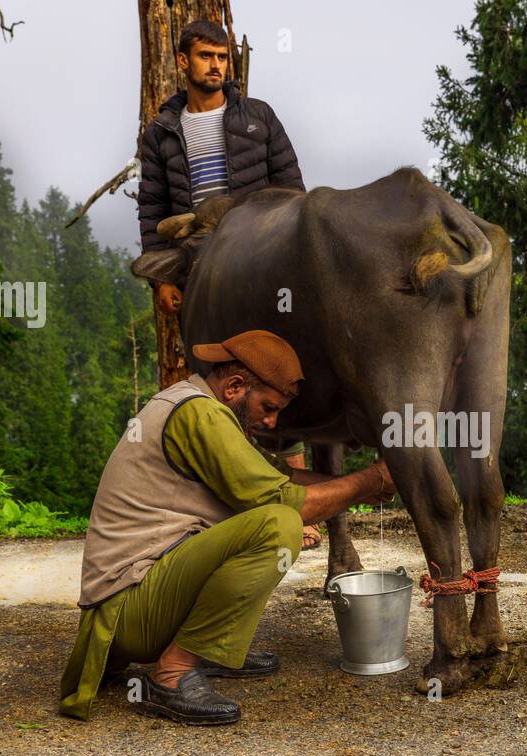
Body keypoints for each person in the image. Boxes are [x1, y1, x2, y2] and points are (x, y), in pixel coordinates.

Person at [59, 330, 394, 725]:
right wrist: (371, 479)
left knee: (268, 515)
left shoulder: (193, 404)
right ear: (235, 386)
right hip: (128, 612)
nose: (270, 421)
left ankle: (211, 647)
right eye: (268, 407)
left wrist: (363, 486)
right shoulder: (201, 414)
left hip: (133, 604)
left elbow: (274, 476)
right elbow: (281, 501)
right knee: (278, 526)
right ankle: (172, 672)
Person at [136, 18, 318, 544]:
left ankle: (296, 504)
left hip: (261, 259)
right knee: (215, 371)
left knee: (276, 368)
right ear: (183, 63)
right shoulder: (163, 131)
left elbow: (293, 190)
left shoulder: (258, 117)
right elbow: (153, 209)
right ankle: (230, 497)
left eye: (222, 57)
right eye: (206, 57)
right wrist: (161, 278)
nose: (216, 65)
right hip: (198, 265)